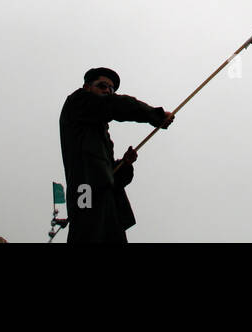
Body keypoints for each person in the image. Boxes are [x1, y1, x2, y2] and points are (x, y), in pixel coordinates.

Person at [59, 67, 174, 243]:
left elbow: (112, 178)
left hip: (106, 198)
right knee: (86, 231)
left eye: (111, 89)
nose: (108, 91)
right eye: (102, 86)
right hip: (85, 189)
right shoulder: (78, 102)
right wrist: (154, 115)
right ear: (87, 87)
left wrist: (125, 165)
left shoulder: (101, 133)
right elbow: (115, 105)